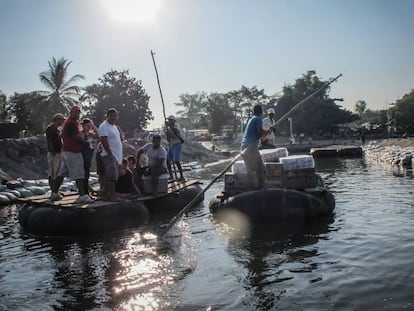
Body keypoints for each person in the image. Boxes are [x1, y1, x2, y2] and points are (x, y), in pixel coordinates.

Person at [57, 105, 95, 204]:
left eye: (78, 112)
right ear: (71, 112)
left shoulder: (74, 122)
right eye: (75, 112)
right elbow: (76, 137)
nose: (77, 114)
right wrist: (85, 142)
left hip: (67, 150)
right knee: (79, 174)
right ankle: (82, 196)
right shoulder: (70, 123)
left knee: (62, 173)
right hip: (73, 151)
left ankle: (54, 192)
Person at [98, 108, 123, 201]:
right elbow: (103, 140)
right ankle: (112, 196)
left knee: (114, 176)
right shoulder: (104, 126)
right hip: (109, 155)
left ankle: (108, 194)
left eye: (115, 116)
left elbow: (120, 140)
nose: (113, 118)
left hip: (116, 156)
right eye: (111, 116)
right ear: (107, 116)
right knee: (111, 176)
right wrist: (110, 153)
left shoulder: (114, 127)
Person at [241, 104, 266, 190]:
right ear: (261, 112)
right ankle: (261, 189)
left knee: (250, 170)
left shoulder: (251, 119)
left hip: (244, 147)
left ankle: (250, 188)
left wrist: (266, 132)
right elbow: (260, 132)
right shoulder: (258, 119)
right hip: (250, 147)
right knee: (260, 168)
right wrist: (268, 131)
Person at [45, 113, 65, 201]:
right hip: (54, 153)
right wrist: (52, 151)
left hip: (58, 153)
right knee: (53, 173)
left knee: (57, 173)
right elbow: (50, 140)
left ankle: (55, 191)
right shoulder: (50, 128)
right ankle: (53, 192)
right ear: (57, 119)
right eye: (61, 120)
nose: (62, 122)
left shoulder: (56, 129)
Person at [81, 118, 99, 195]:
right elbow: (82, 143)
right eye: (87, 126)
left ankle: (88, 190)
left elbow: (98, 135)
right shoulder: (82, 134)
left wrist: (94, 126)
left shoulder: (91, 134)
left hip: (90, 154)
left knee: (87, 174)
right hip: (84, 154)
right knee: (84, 174)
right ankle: (85, 192)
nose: (89, 128)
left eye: (90, 126)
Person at [166, 115, 185, 181]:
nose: (169, 121)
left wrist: (169, 127)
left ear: (174, 121)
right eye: (169, 120)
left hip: (177, 144)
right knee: (167, 160)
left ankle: (182, 176)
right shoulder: (169, 128)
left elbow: (176, 131)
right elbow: (168, 138)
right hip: (172, 144)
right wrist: (167, 132)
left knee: (176, 161)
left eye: (171, 120)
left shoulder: (176, 126)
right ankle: (171, 176)